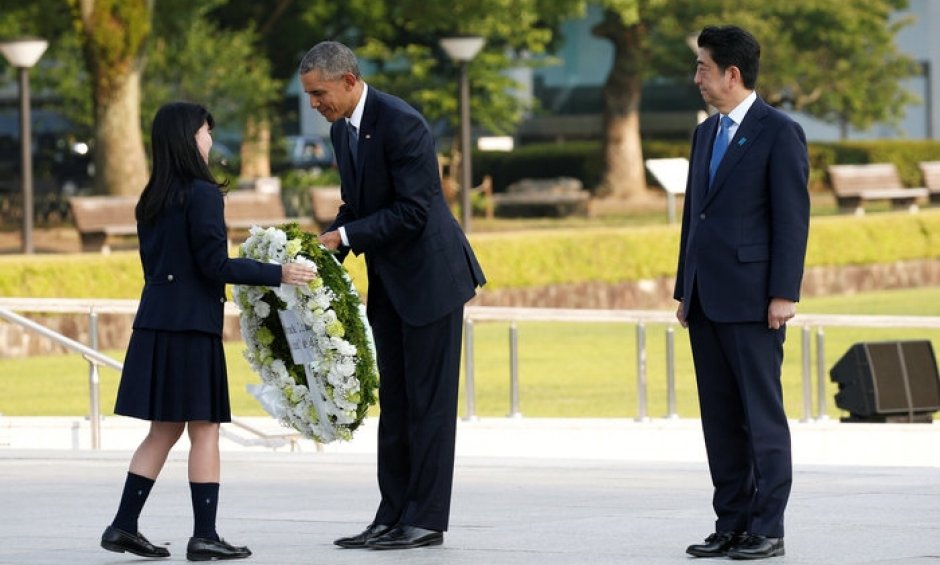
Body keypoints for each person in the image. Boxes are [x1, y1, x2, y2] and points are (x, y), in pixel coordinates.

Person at [99, 101, 316, 561]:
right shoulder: (201, 195)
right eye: (205, 132)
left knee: (163, 431)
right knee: (205, 429)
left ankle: (123, 525)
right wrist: (278, 272)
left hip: (156, 321)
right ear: (187, 138)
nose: (210, 140)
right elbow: (214, 264)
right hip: (191, 328)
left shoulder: (151, 197)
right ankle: (205, 535)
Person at [299, 41, 486, 550]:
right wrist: (317, 252)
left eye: (320, 93)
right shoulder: (343, 131)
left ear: (349, 80)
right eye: (310, 95)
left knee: (429, 406)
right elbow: (356, 204)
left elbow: (414, 212)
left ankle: (425, 519)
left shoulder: (402, 122)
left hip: (431, 282)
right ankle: (391, 514)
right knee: (398, 405)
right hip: (391, 285)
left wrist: (347, 237)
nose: (315, 104)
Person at [674, 25, 809, 560]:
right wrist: (686, 289)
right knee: (721, 419)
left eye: (703, 67)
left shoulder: (780, 131)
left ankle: (767, 528)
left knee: (760, 417)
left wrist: (783, 293)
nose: (697, 78)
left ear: (732, 73)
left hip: (756, 301)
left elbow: (791, 220)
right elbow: (694, 220)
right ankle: (730, 522)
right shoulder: (705, 133)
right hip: (706, 300)